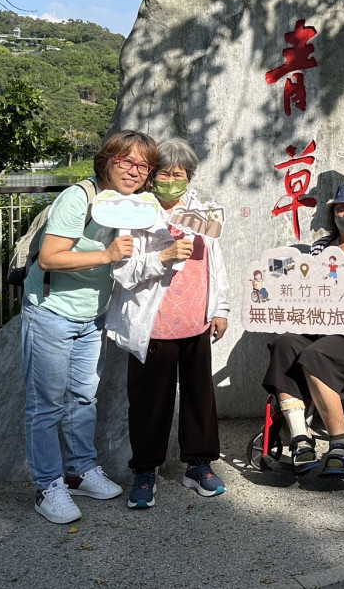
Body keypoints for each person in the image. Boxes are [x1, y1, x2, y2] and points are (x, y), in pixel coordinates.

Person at [22, 129, 155, 524]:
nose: (134, 171)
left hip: (92, 315)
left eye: (144, 165)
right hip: (51, 312)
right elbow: (49, 257)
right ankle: (47, 486)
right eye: (126, 161)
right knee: (46, 404)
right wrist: (107, 254)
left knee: (83, 398)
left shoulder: (130, 205)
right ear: (107, 160)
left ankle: (79, 471)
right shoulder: (78, 198)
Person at [106, 138, 231, 510]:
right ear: (151, 175)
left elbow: (216, 263)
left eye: (179, 174)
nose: (171, 180)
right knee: (149, 401)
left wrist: (220, 308)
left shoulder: (201, 212)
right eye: (164, 173)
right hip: (154, 324)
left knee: (199, 397)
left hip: (195, 321)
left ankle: (199, 465)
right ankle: (145, 471)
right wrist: (162, 256)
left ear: (189, 176)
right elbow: (122, 271)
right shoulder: (134, 211)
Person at [262, 182, 344, 477]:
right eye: (342, 208)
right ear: (333, 213)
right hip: (319, 323)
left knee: (315, 355)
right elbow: (309, 289)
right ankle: (300, 438)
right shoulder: (320, 247)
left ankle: (340, 443)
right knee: (284, 343)